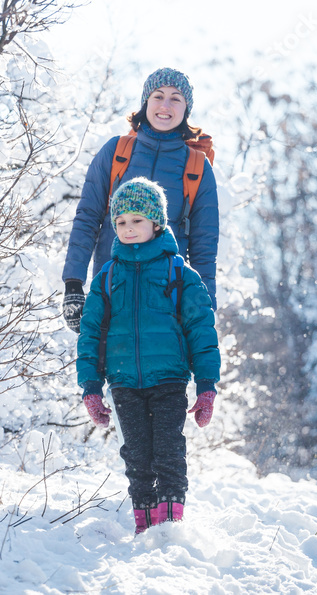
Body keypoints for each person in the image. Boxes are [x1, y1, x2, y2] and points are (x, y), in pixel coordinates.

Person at [76, 177, 221, 534]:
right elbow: (91, 334)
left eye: (137, 220)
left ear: (157, 222)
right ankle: (144, 521)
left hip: (170, 380)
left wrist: (206, 385)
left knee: (169, 451)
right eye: (121, 222)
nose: (128, 228)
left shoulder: (179, 274)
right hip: (124, 382)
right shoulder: (106, 278)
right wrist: (91, 386)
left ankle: (170, 523)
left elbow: (201, 331)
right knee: (137, 455)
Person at [63, 68, 219, 333]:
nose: (165, 105)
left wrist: (204, 308)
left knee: (165, 373)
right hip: (111, 295)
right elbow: (87, 218)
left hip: (167, 304)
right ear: (146, 102)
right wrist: (73, 283)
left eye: (176, 98)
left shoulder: (197, 167)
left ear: (186, 109)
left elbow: (204, 246)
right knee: (104, 371)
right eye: (158, 96)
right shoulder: (116, 152)